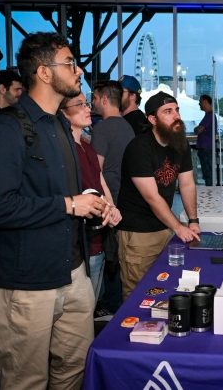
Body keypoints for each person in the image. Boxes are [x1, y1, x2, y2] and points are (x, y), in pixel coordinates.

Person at [0, 32, 110, 390]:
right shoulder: (5, 128)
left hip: (73, 273)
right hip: (26, 284)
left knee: (74, 369)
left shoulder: (61, 126)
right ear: (45, 73)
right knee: (25, 380)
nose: (78, 71)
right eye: (70, 63)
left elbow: (58, 194)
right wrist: (69, 204)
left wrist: (91, 204)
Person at [116, 91, 201, 300]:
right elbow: (152, 197)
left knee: (164, 288)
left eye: (177, 110)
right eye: (168, 112)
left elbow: (187, 183)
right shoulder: (139, 148)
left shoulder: (179, 144)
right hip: (138, 234)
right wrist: (178, 227)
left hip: (164, 229)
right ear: (152, 120)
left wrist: (192, 220)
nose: (176, 116)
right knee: (138, 295)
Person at [59, 93, 122, 301]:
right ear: (63, 113)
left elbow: (100, 180)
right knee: (82, 304)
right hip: (81, 238)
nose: (88, 109)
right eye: (80, 105)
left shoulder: (87, 146)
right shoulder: (62, 150)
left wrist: (112, 207)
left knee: (91, 302)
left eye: (86, 104)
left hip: (99, 235)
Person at [90, 80, 135, 319]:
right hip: (124, 197)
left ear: (104, 100)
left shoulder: (102, 128)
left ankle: (109, 305)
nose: (92, 103)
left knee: (109, 255)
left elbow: (95, 169)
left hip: (109, 200)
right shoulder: (127, 127)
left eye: (95, 98)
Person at [194, 94, 217, 186]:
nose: (199, 104)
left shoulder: (209, 116)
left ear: (205, 102)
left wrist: (197, 129)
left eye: (200, 101)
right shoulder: (209, 115)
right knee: (207, 172)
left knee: (208, 172)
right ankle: (210, 191)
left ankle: (210, 193)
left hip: (206, 148)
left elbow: (198, 130)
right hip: (206, 148)